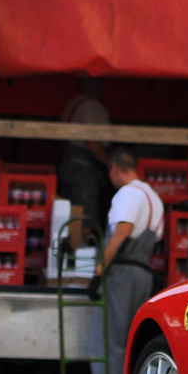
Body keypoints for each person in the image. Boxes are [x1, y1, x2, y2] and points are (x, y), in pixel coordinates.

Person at [91, 145, 164, 374]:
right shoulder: (153, 197)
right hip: (143, 271)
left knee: (110, 342)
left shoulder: (128, 194)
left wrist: (101, 270)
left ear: (114, 168)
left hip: (123, 273)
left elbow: (123, 229)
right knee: (129, 342)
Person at [57, 78, 110, 248]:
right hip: (83, 170)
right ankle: (81, 256)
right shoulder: (91, 107)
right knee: (84, 220)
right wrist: (112, 165)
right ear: (97, 86)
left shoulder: (72, 103)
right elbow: (93, 144)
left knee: (68, 215)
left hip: (67, 165)